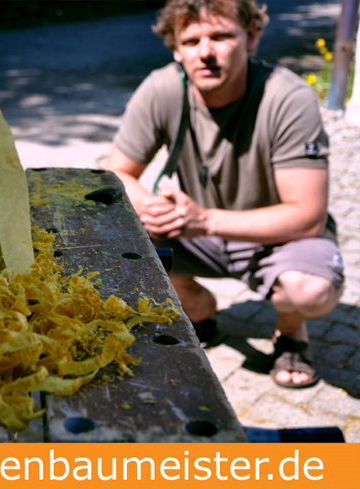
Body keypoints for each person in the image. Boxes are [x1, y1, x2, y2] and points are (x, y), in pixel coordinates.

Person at [105, 0, 345, 389]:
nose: (205, 52)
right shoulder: (162, 87)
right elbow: (116, 174)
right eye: (191, 41)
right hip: (194, 233)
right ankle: (198, 308)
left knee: (310, 290)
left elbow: (308, 215)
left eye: (220, 36)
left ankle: (290, 331)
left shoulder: (287, 96)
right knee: (112, 235)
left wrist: (205, 219)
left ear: (250, 37)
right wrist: (150, 208)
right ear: (176, 49)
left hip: (276, 238)